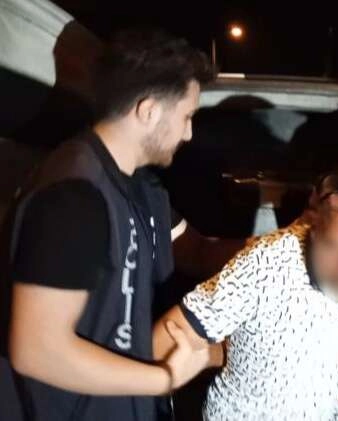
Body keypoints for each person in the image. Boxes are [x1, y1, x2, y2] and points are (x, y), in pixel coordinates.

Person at [0, 30, 226, 421]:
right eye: (187, 117)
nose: (189, 133)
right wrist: (164, 378)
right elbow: (37, 350)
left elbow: (194, 249)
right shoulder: (74, 195)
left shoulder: (137, 188)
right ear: (148, 111)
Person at [153, 165, 338, 420]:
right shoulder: (265, 264)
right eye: (334, 248)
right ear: (313, 222)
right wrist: (164, 378)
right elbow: (162, 342)